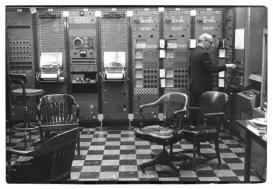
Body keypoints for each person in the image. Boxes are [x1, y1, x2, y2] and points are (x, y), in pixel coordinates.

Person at [188, 33, 236, 124]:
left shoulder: (193, 52)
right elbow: (212, 69)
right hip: (202, 89)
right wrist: (226, 66)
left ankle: (192, 130)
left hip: (193, 86)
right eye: (210, 42)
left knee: (194, 110)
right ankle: (201, 131)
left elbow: (189, 70)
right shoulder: (203, 53)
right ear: (205, 41)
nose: (211, 45)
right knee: (202, 111)